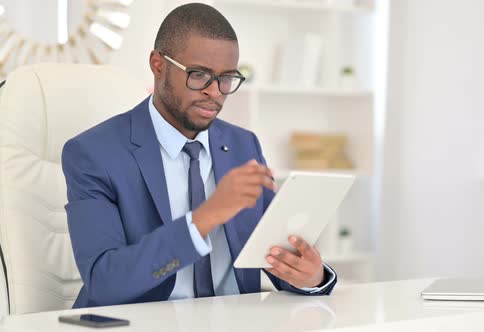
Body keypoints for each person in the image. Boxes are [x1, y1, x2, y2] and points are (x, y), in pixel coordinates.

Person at [61, 3, 337, 308]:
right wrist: (205, 218)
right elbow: (105, 281)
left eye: (226, 78)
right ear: (158, 65)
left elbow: (274, 256)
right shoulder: (93, 154)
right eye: (199, 75)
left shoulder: (243, 145)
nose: (215, 92)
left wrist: (312, 276)